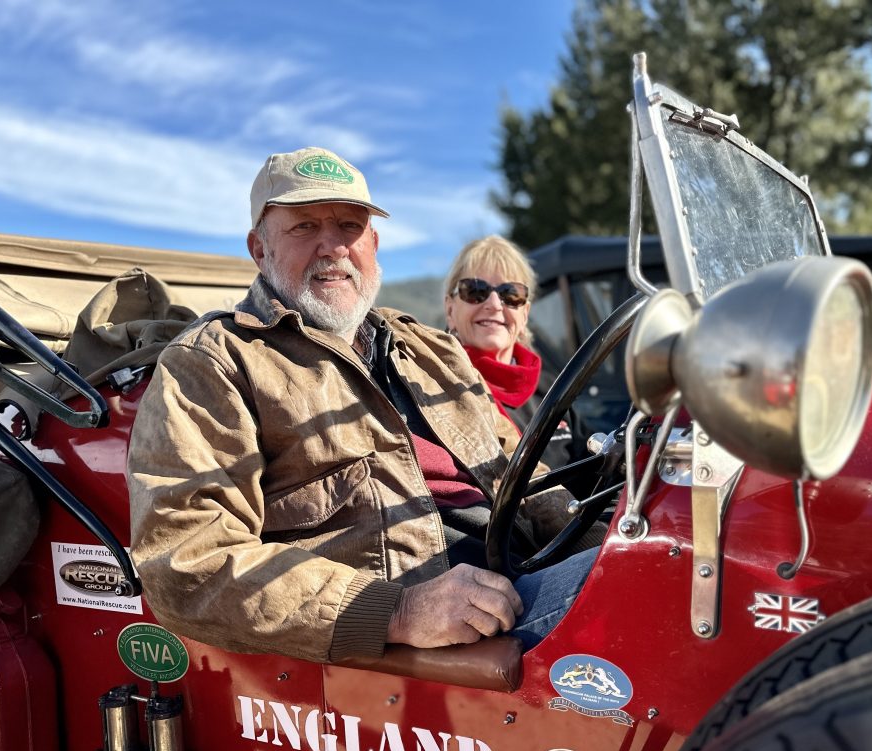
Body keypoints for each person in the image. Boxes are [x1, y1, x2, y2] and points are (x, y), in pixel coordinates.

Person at [126, 148, 601, 664]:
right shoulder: (215, 362)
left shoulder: (432, 350)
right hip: (435, 648)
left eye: (350, 226)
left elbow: (524, 479)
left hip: (523, 580)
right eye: (304, 226)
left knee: (673, 559)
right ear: (258, 249)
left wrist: (606, 539)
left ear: (373, 244)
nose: (333, 247)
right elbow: (187, 560)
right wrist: (397, 611)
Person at [443, 236, 587, 469]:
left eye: (510, 294)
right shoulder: (431, 387)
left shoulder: (554, 388)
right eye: (476, 290)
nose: (494, 304)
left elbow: (594, 469)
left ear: (525, 314)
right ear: (450, 309)